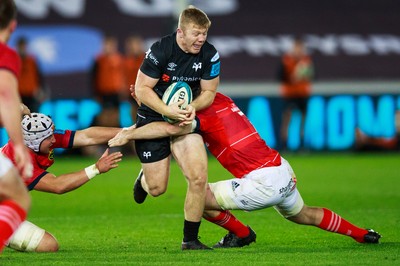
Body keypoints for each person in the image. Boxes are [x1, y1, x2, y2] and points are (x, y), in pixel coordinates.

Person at [109, 92, 382, 248]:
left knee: (197, 197)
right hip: (281, 168)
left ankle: (241, 234)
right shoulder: (220, 99)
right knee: (304, 214)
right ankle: (362, 233)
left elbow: (169, 128)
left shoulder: (203, 117)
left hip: (262, 182)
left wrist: (130, 133)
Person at [133, 6, 220, 250]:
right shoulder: (161, 50)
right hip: (153, 118)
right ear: (180, 32)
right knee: (158, 188)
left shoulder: (210, 55)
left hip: (183, 120)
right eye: (196, 33)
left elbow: (210, 92)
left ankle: (189, 240)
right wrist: (166, 109)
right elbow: (141, 89)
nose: (201, 39)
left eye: (204, 33)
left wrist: (192, 106)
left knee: (199, 177)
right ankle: (144, 181)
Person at [1, 113, 123, 252]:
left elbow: (86, 136)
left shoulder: (36, 138)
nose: (54, 139)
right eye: (49, 137)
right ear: (34, 142)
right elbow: (57, 185)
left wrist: (129, 132)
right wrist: (96, 169)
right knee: (48, 245)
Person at [0, 0, 33, 253]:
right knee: (19, 197)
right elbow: (7, 99)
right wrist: (19, 146)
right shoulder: (6, 54)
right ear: (13, 25)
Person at [278, 38, 314, 150]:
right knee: (287, 118)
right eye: (296, 47)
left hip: (302, 93)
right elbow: (280, 76)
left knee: (303, 119)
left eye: (300, 48)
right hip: (290, 94)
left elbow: (313, 75)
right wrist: (291, 78)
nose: (298, 50)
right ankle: (284, 145)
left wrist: (305, 74)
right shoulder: (286, 60)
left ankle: (302, 144)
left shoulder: (306, 61)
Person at [91, 35, 125, 128]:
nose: (109, 47)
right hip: (103, 92)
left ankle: (114, 137)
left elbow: (123, 76)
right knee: (104, 115)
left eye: (111, 45)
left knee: (115, 115)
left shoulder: (120, 59)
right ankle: (103, 136)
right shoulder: (98, 60)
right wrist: (95, 94)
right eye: (107, 45)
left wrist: (123, 90)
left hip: (116, 92)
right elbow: (93, 78)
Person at [16, 36, 46, 111]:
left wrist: (42, 90)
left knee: (32, 117)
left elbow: (38, 76)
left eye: (24, 46)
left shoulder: (32, 61)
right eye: (21, 46)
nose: (22, 49)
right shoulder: (14, 60)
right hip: (18, 95)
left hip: (31, 94)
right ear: (17, 47)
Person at [123, 35, 146, 122]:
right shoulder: (126, 60)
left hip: (145, 91)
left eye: (135, 44)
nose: (133, 47)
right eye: (131, 45)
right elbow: (124, 77)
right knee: (133, 113)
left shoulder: (147, 58)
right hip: (132, 92)